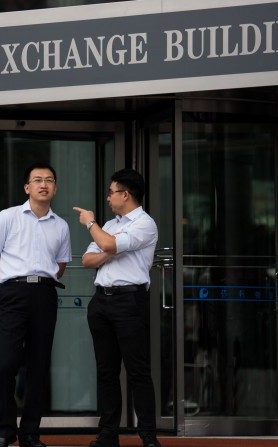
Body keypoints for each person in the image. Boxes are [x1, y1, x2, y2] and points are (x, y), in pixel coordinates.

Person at [0, 162, 71, 447]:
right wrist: (11, 281)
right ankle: (4, 430)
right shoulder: (8, 217)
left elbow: (60, 265)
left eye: (49, 180)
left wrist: (39, 281)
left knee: (38, 365)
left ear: (55, 188)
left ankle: (30, 433)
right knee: (6, 364)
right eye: (37, 180)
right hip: (13, 294)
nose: (43, 184)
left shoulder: (62, 225)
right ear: (27, 187)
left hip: (45, 295)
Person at [72, 168, 161, 447]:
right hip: (101, 301)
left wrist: (90, 224)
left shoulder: (144, 224)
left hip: (129, 301)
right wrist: (108, 250)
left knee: (137, 370)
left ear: (125, 194)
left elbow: (106, 244)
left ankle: (148, 435)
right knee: (106, 370)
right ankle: (108, 433)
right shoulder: (109, 224)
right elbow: (87, 259)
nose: (108, 197)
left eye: (112, 192)